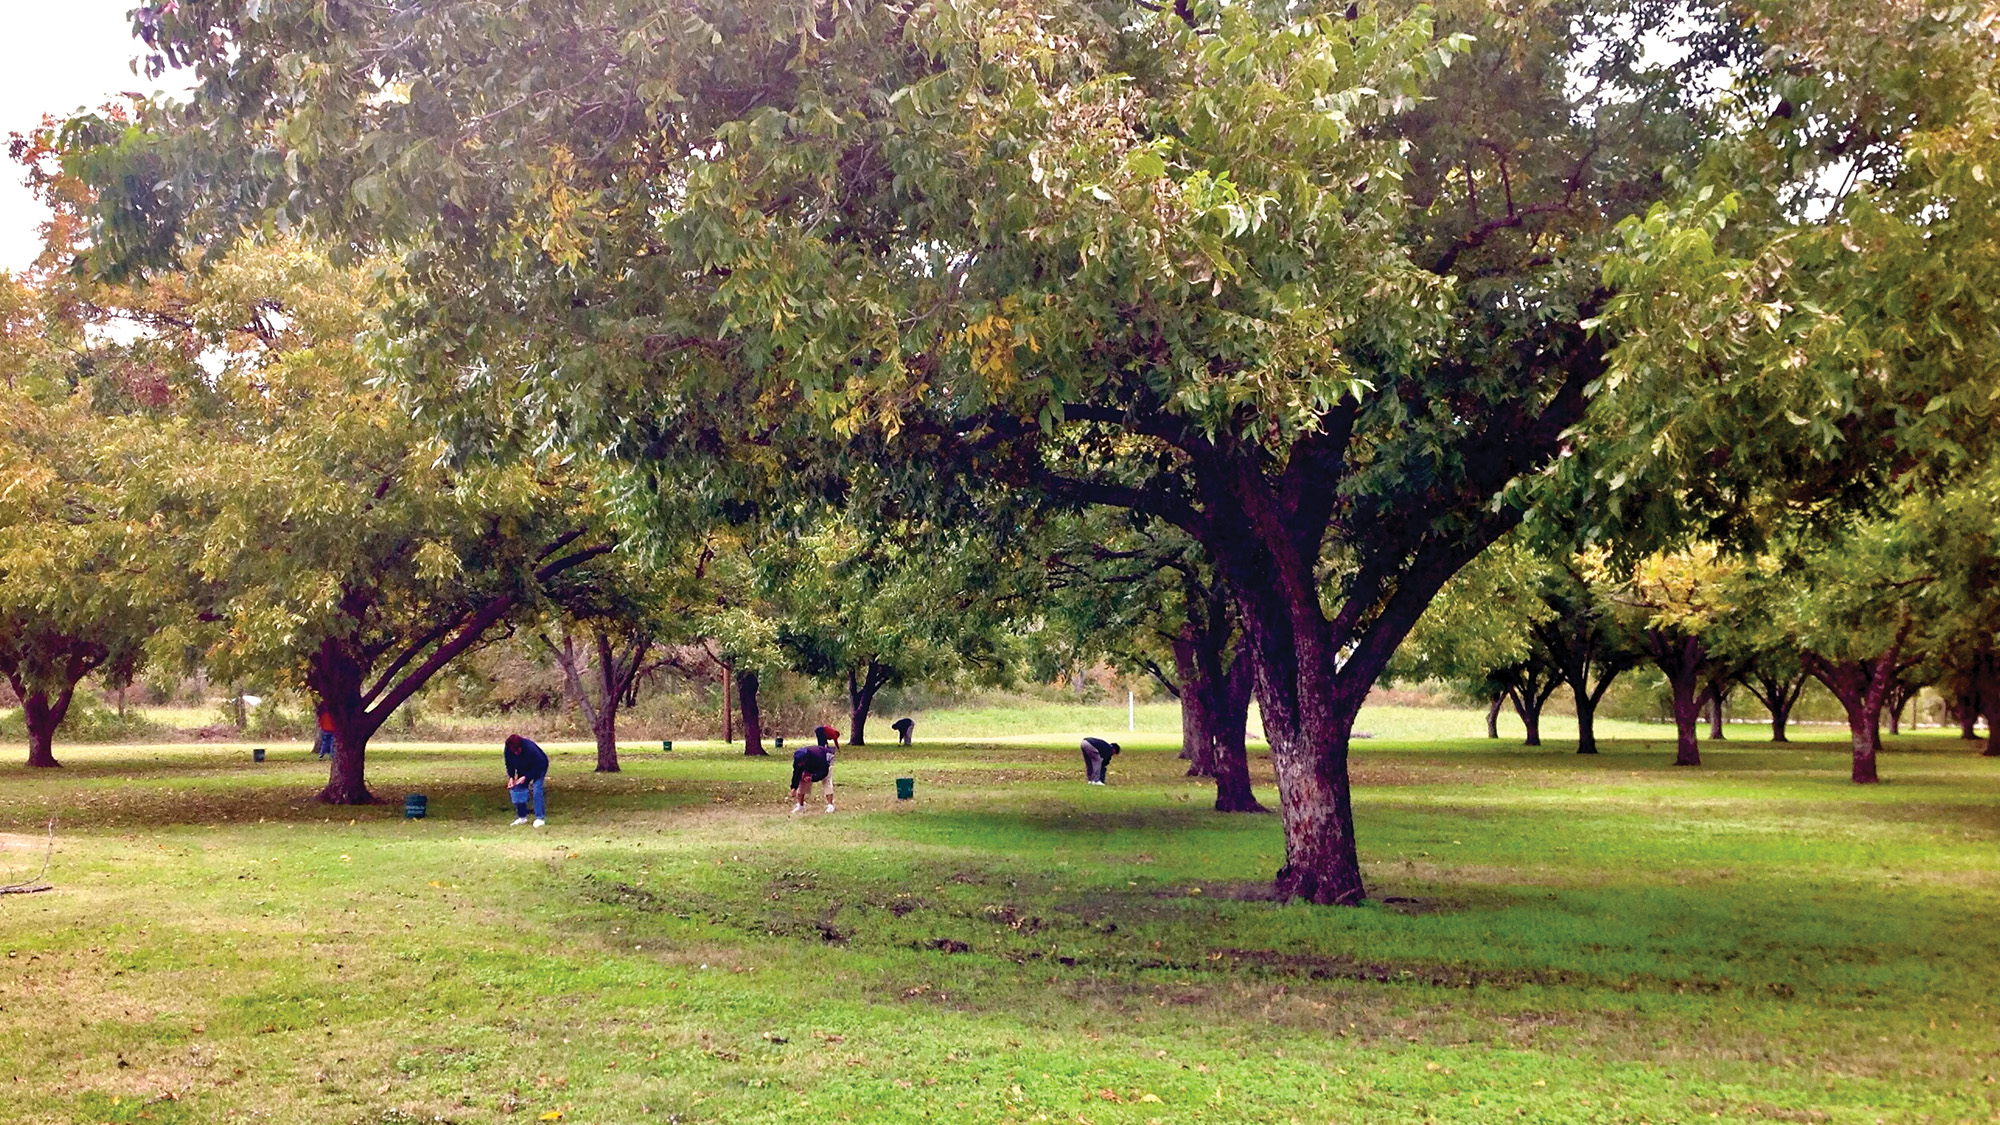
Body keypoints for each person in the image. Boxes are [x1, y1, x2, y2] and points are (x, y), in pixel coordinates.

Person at [504, 733, 550, 827]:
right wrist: (511, 777)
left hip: (539, 767)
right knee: (518, 789)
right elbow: (509, 763)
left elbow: (540, 764)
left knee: (537, 789)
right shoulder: (508, 749)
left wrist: (526, 777)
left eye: (517, 751)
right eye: (514, 751)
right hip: (523, 768)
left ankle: (540, 818)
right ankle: (522, 817)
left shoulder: (530, 748)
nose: (516, 753)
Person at [791, 726, 839, 813]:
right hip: (812, 764)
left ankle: (830, 805)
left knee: (826, 781)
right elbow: (796, 773)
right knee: (802, 781)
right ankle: (800, 805)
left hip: (826, 759)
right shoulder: (798, 760)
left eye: (802, 763)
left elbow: (824, 771)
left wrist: (813, 777)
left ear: (806, 759)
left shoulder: (819, 757)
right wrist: (794, 787)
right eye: (799, 764)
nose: (800, 765)